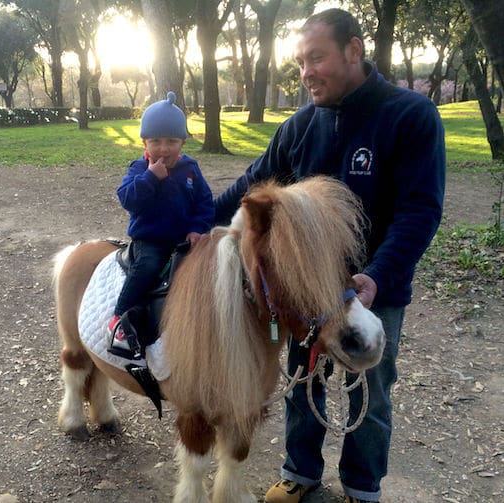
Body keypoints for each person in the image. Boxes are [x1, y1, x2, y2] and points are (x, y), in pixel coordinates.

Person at [214, 8, 445, 503]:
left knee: (371, 389)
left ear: (354, 50)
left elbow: (419, 210)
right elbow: (247, 186)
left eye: (315, 58)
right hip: (307, 292)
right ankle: (300, 473)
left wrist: (378, 276)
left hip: (374, 289)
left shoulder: (410, 116)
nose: (306, 73)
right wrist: (184, 214)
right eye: (300, 63)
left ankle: (362, 489)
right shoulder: (299, 127)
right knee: (302, 382)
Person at [109, 91, 215, 359]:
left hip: (183, 239)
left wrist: (197, 228)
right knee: (148, 267)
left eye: (172, 141)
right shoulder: (138, 169)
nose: (164, 149)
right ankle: (120, 316)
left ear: (182, 142)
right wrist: (150, 178)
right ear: (145, 141)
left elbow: (204, 202)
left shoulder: (190, 169)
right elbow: (128, 199)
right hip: (151, 240)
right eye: (156, 141)